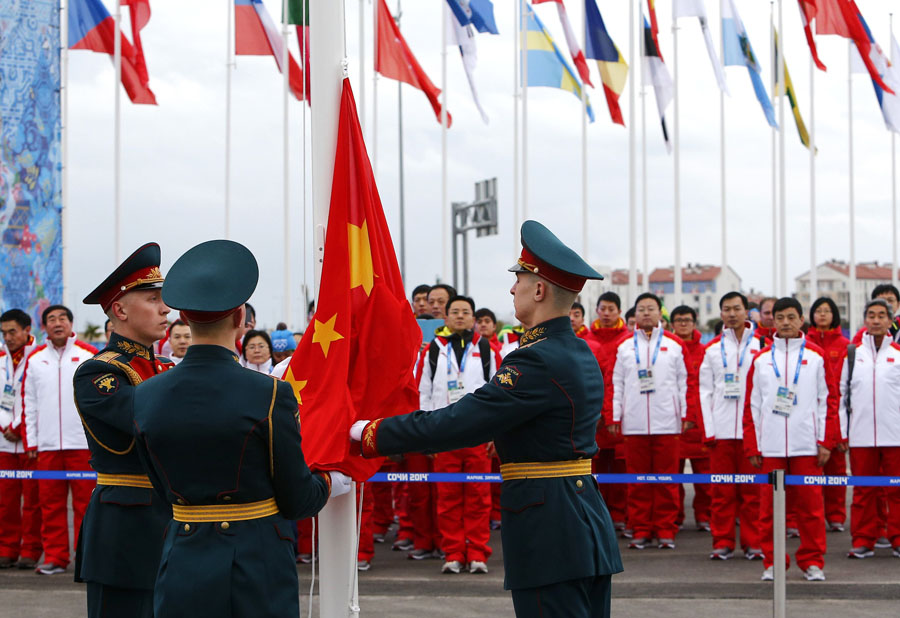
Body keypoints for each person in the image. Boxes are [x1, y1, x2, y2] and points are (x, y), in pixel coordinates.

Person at [352, 221, 622, 618]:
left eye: (520, 279)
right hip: (582, 522)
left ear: (540, 290)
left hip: (550, 531)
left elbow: (460, 422)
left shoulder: (535, 358)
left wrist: (368, 432)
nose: (513, 288)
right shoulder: (577, 351)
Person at [132, 239, 349, 617]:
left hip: (182, 557)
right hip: (256, 562)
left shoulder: (145, 392)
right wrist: (332, 482)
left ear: (183, 317)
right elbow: (297, 498)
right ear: (239, 319)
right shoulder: (269, 393)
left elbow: (160, 487)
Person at [72, 243, 176, 616]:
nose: (166, 309)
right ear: (120, 309)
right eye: (153, 299)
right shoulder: (100, 372)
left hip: (175, 522)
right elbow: (153, 423)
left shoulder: (167, 368)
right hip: (125, 529)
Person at [743, 297, 838, 582]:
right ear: (773, 321)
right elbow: (753, 406)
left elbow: (828, 401)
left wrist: (825, 441)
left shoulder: (816, 356)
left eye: (791, 317)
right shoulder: (761, 360)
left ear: (801, 320)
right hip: (770, 445)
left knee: (810, 508)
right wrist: (753, 445)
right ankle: (773, 561)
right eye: (780, 317)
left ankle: (811, 560)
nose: (785, 322)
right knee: (769, 509)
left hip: (806, 444)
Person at [417, 295, 500, 574]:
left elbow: (498, 393)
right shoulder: (433, 350)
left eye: (466, 312)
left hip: (477, 433)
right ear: (446, 318)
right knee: (448, 496)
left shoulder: (486, 348)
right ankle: (453, 552)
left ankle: (477, 552)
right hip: (443, 432)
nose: (460, 316)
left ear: (474, 318)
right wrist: (426, 432)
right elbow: (424, 393)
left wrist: (494, 432)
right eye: (455, 312)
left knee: (479, 496)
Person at [22, 305, 98, 575]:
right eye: (51, 319)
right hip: (48, 446)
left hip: (81, 445)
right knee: (51, 505)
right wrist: (32, 442)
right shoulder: (35, 360)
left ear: (70, 323)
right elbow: (28, 404)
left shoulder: (89, 355)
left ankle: (86, 558)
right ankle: (55, 557)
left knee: (85, 505)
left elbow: (99, 402)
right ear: (44, 327)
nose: (57, 323)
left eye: (62, 318)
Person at [611, 293, 689, 550]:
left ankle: (666, 529)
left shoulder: (674, 345)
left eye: (651, 309)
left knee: (666, 481)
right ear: (635, 314)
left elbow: (684, 384)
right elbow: (617, 384)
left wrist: (685, 415)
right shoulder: (624, 347)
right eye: (642, 309)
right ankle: (641, 528)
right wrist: (615, 415)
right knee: (638, 481)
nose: (646, 313)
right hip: (634, 424)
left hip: (667, 422)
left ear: (660, 314)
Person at [699, 292, 763, 561]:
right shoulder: (712, 349)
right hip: (722, 431)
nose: (733, 314)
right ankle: (723, 541)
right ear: (721, 314)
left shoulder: (762, 345)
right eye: (727, 309)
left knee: (753, 492)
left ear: (746, 311)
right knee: (722, 491)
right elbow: (704, 391)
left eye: (737, 308)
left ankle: (753, 542)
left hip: (753, 432)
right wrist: (710, 429)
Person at [839, 299, 900, 559]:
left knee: (896, 490)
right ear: (865, 320)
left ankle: (896, 537)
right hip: (861, 435)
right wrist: (843, 432)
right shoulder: (853, 354)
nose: (876, 320)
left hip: (895, 436)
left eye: (881, 316)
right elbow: (842, 396)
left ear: (890, 321)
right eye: (871, 315)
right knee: (863, 491)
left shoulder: (897, 355)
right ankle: (864, 538)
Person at [806, 297, 850, 532]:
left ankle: (836, 515)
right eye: (818, 311)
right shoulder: (804, 342)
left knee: (836, 470)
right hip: (809, 414)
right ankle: (810, 516)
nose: (822, 315)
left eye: (827, 311)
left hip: (836, 413)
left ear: (834, 315)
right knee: (809, 470)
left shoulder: (846, 345)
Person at [0, 309, 40, 570]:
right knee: (5, 501)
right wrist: (5, 426)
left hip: (31, 441)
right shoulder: (1, 359)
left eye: (12, 331)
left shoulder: (40, 358)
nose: (8, 337)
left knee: (33, 500)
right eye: (3, 333)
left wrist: (21, 427)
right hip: (4, 440)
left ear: (27, 330)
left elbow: (40, 400)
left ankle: (31, 550)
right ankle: (7, 548)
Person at [669, 305, 711, 533]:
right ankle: (675, 517)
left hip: (700, 423)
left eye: (687, 320)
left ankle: (705, 516)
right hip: (674, 422)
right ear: (672, 324)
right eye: (678, 320)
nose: (683, 324)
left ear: (695, 324)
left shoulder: (706, 351)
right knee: (672, 478)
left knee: (705, 478)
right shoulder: (667, 349)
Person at [590, 291, 630, 532]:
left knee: (620, 469)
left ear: (619, 312)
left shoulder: (628, 340)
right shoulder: (585, 339)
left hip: (619, 415)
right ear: (597, 310)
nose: (606, 313)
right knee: (594, 470)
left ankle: (619, 515)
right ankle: (598, 515)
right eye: (602, 308)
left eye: (611, 309)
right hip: (593, 417)